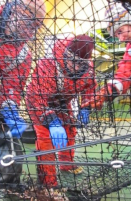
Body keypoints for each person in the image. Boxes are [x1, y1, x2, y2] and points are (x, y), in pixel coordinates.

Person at [0, 0, 46, 189]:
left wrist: (11, 106)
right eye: (25, 19)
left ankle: (10, 185)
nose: (27, 28)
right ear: (12, 9)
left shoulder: (22, 52)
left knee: (9, 144)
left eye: (34, 25)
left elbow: (14, 85)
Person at [80, 3, 131, 188]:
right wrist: (108, 91)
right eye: (116, 34)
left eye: (121, 30)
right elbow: (126, 72)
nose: (121, 37)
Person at [26, 34, 96, 188]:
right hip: (38, 103)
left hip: (63, 103)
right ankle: (48, 182)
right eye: (73, 61)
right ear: (65, 54)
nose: (76, 67)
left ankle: (66, 164)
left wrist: (86, 107)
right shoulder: (47, 65)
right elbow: (36, 97)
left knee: (70, 130)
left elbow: (90, 89)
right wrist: (51, 121)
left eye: (80, 64)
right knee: (45, 140)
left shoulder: (88, 71)